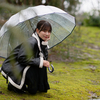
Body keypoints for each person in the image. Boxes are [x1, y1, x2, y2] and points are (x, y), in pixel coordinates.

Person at [1, 20, 52, 94]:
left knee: (41, 64)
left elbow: (43, 57)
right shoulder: (31, 42)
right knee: (39, 64)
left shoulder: (40, 41)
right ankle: (14, 85)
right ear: (37, 31)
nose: (47, 33)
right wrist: (41, 62)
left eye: (49, 31)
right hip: (14, 66)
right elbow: (22, 58)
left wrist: (44, 45)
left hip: (23, 65)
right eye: (44, 31)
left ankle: (35, 86)